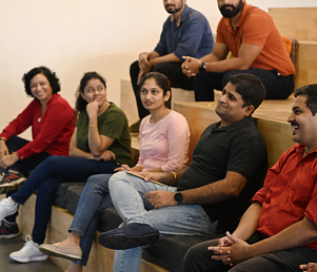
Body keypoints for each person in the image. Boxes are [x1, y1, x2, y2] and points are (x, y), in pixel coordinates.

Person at [99, 74, 269, 272]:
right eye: (223, 93)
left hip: (206, 212)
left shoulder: (248, 139)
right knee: (121, 178)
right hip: (180, 191)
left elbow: (231, 187)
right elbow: (196, 169)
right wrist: (164, 176)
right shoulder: (214, 128)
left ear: (248, 110)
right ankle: (139, 225)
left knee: (126, 232)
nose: (222, 98)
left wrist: (176, 197)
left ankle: (137, 227)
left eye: (232, 98)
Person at [38, 72, 190, 272]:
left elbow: (175, 165)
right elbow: (142, 161)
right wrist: (132, 169)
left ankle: (73, 240)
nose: (148, 97)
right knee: (95, 203)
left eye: (155, 92)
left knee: (96, 181)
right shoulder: (145, 122)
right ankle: (75, 265)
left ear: (167, 95)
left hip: (164, 184)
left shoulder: (175, 120)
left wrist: (139, 174)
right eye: (144, 92)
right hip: (141, 180)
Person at [0, 72, 132, 263]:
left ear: (106, 90)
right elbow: (73, 150)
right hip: (95, 163)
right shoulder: (85, 112)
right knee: (46, 185)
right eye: (90, 90)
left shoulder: (113, 115)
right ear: (83, 94)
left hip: (114, 167)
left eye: (100, 88)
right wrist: (92, 155)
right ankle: (36, 245)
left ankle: (13, 201)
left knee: (53, 162)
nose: (96, 94)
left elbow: (97, 147)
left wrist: (93, 119)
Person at [184, 84, 317, 272]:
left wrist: (250, 251)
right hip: (264, 237)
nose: (289, 119)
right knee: (199, 256)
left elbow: (309, 230)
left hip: (301, 249)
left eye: (297, 112)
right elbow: (259, 202)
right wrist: (235, 240)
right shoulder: (292, 154)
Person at [0, 67, 75, 240]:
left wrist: (15, 156)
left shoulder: (59, 106)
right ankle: (13, 177)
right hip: (42, 153)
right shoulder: (37, 104)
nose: (38, 88)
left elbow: (43, 141)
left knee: (12, 162)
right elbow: (18, 123)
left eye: (42, 83)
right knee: (11, 142)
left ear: (51, 84)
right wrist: (1, 139)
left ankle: (9, 220)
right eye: (33, 85)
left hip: (56, 157)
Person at [182, 0, 295, 102]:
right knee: (202, 77)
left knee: (232, 79)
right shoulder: (224, 22)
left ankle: (232, 121)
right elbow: (216, 55)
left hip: (279, 79)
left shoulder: (256, 19)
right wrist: (194, 64)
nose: (226, 2)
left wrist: (202, 65)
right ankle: (206, 118)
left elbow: (242, 63)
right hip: (250, 74)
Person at [130, 0, 214, 124]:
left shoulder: (195, 19)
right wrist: (145, 57)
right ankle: (146, 120)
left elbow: (183, 54)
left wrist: (151, 63)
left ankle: (163, 122)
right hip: (178, 69)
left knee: (160, 68)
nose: (169, 1)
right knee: (135, 66)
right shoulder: (168, 22)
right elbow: (160, 49)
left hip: (196, 73)